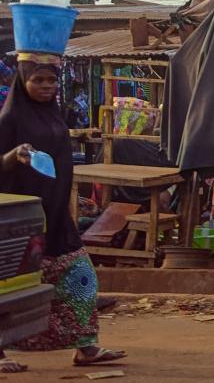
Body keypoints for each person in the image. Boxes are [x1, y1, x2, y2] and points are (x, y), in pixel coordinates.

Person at [0, 54, 126, 371]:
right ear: (22, 81)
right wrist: (14, 157)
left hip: (55, 216)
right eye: (38, 80)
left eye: (51, 80)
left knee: (81, 276)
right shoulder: (9, 120)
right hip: (18, 221)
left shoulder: (55, 115)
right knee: (10, 289)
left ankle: (86, 348)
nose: (46, 86)